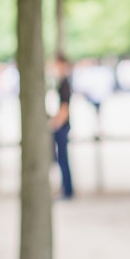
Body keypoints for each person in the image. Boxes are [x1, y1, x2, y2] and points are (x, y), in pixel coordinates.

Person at [49, 53, 74, 199]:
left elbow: (65, 107)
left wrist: (55, 123)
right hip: (62, 125)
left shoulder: (64, 83)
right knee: (62, 159)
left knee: (63, 159)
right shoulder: (63, 82)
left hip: (62, 127)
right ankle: (66, 188)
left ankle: (68, 190)